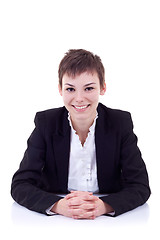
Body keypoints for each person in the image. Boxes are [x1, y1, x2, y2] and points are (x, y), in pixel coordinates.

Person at [11, 49, 151, 219]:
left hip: (109, 224)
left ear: (103, 87)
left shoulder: (120, 123)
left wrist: (104, 206)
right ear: (60, 89)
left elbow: (140, 186)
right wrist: (58, 205)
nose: (79, 98)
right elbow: (20, 185)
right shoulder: (46, 123)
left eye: (89, 88)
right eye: (70, 89)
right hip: (56, 222)